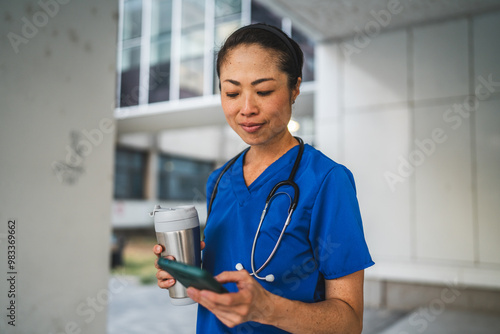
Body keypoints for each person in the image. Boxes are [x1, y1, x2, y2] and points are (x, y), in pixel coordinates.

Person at [154, 23, 374, 334]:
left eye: (264, 91)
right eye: (231, 92)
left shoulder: (327, 181)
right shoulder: (219, 181)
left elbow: (350, 323)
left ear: (295, 88)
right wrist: (186, 273)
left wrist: (267, 309)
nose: (246, 109)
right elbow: (229, 270)